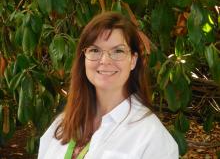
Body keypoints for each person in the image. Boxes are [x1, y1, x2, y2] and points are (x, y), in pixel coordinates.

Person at [38, 11, 179, 159]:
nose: (105, 60)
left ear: (133, 60)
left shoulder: (152, 137)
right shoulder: (62, 125)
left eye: (118, 51)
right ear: (83, 58)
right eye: (95, 50)